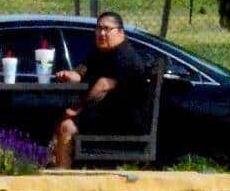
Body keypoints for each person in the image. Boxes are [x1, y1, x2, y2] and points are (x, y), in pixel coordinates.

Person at [48, 12, 155, 167]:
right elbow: (83, 72)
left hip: (122, 123)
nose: (101, 33)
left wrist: (77, 108)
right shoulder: (101, 52)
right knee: (59, 117)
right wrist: (70, 75)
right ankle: (56, 167)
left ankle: (63, 176)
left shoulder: (124, 55)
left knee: (67, 126)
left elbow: (103, 86)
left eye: (107, 29)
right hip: (107, 116)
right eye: (98, 29)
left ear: (120, 32)